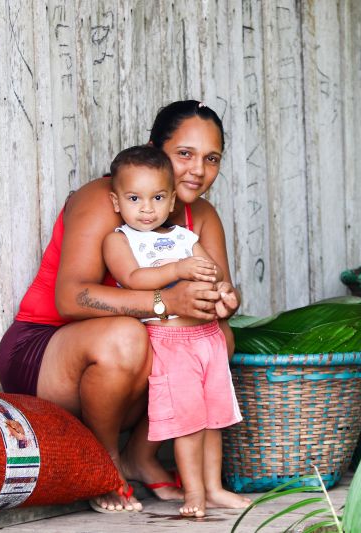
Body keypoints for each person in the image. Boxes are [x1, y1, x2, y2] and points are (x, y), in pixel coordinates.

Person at [0, 100, 238, 513]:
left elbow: (222, 290)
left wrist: (223, 301)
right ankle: (104, 463)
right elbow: (70, 298)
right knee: (127, 336)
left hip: (133, 356)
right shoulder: (105, 198)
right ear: (153, 148)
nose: (198, 169)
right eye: (184, 154)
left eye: (210, 158)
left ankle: (141, 456)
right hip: (46, 350)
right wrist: (167, 301)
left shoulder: (202, 216)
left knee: (217, 337)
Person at [102, 144, 250, 517]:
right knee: (188, 422)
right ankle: (194, 494)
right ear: (116, 201)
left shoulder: (185, 238)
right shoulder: (120, 240)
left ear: (171, 203)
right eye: (135, 198)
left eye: (157, 198)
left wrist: (224, 296)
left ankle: (214, 488)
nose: (147, 208)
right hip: (169, 342)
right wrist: (177, 271)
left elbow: (213, 274)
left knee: (215, 419)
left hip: (208, 340)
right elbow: (133, 279)